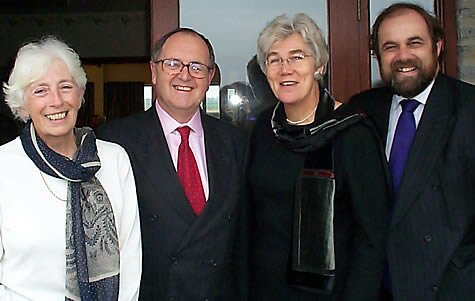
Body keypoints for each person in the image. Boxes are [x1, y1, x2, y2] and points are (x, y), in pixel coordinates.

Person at [97, 28, 248, 300]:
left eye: (197, 67)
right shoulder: (115, 143)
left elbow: (246, 240)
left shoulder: (236, 142)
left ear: (210, 77)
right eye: (173, 64)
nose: (185, 75)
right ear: (154, 72)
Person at [247, 13, 389, 300]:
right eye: (275, 59)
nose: (285, 69)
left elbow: (372, 238)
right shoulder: (263, 128)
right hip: (264, 290)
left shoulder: (352, 133)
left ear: (319, 65)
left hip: (329, 294)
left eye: (297, 57)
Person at [349, 3, 475, 301]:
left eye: (414, 43)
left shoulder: (469, 110)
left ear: (438, 46)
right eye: (390, 47)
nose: (403, 56)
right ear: (377, 56)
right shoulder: (361, 110)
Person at [0, 36, 141, 300]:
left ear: (80, 94)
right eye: (40, 90)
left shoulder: (114, 159)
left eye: (65, 87)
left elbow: (131, 259)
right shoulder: (3, 166)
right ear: (22, 104)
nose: (56, 101)